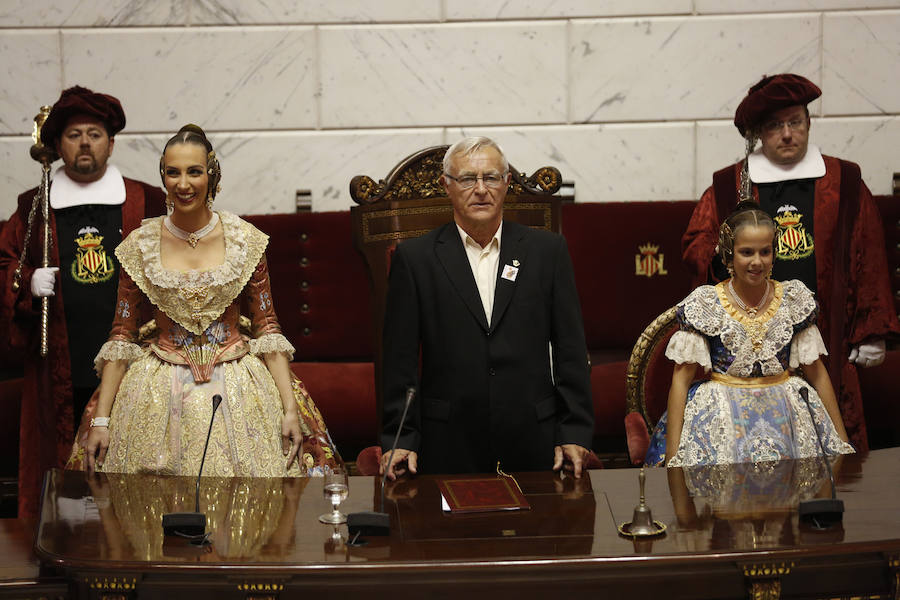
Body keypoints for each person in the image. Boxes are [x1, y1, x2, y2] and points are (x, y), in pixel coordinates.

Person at [70, 124, 337, 477]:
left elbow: (267, 327)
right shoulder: (140, 245)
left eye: (194, 172)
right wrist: (102, 420)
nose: (183, 184)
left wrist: (289, 409)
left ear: (211, 175)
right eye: (173, 173)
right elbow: (122, 335)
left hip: (240, 384)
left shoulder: (244, 240)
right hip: (157, 387)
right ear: (163, 177)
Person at [683, 73, 900, 452]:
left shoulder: (843, 180)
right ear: (758, 133)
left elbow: (869, 251)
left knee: (834, 450)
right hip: (754, 348)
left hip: (829, 337)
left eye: (795, 122)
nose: (787, 134)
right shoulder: (729, 186)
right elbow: (697, 245)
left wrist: (871, 329)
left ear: (808, 123)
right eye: (775, 126)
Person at [380, 137, 594, 479]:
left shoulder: (546, 251)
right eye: (467, 179)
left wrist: (573, 432)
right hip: (447, 441)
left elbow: (570, 349)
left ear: (507, 183)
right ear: (446, 186)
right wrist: (400, 437)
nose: (481, 189)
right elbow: (398, 361)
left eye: (491, 177)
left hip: (535, 440)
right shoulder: (416, 259)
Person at [0, 86, 165, 517]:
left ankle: (132, 530)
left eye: (95, 133)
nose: (85, 143)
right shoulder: (33, 206)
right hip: (59, 356)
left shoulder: (147, 200)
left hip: (134, 357)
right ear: (57, 146)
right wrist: (27, 282)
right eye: (74, 135)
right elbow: (6, 264)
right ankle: (66, 539)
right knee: (65, 470)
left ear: (111, 143)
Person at [646, 204, 854, 467]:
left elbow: (816, 372)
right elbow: (680, 381)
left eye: (765, 252)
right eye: (747, 252)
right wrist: (674, 458)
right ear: (729, 255)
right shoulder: (707, 304)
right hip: (721, 417)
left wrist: (841, 441)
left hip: (787, 416)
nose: (757, 261)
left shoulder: (793, 300)